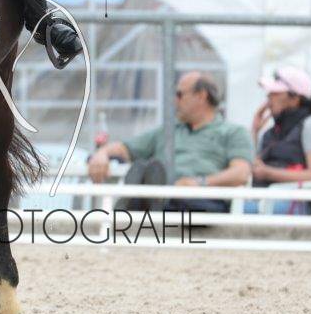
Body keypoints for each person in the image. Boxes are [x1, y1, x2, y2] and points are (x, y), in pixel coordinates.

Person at [86, 72, 254, 213]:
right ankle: (150, 193)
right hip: (167, 194)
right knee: (150, 177)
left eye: (180, 94)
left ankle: (145, 194)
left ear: (201, 96)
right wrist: (102, 153)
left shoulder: (233, 132)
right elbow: (124, 148)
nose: (175, 101)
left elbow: (241, 173)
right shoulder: (168, 131)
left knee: (178, 197)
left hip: (202, 198)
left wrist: (199, 183)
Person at [248, 66, 311, 214]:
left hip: (299, 204)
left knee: (238, 210)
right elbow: (251, 167)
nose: (269, 97)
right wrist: (254, 131)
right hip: (265, 199)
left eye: (275, 92)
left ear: (295, 98)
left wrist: (268, 173)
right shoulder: (270, 133)